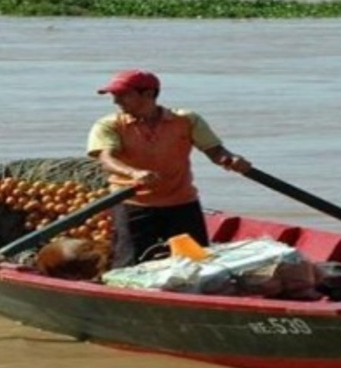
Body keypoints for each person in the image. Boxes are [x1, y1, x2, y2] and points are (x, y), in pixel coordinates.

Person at [86, 69, 252, 268]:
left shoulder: (186, 120)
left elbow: (215, 151)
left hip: (181, 201)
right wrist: (133, 173)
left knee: (196, 264)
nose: (116, 101)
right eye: (115, 96)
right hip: (133, 201)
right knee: (129, 264)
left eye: (123, 95)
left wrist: (230, 159)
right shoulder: (109, 125)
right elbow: (106, 158)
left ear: (148, 94)